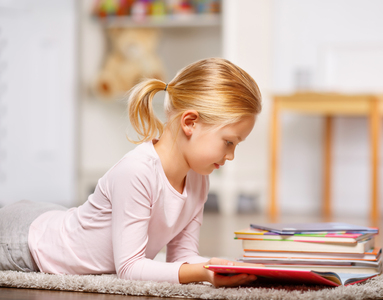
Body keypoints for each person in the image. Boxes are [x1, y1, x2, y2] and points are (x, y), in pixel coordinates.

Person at [0, 58, 262, 287]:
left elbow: (182, 258)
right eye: (228, 142)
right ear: (190, 122)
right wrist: (204, 272)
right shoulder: (138, 171)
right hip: (22, 241)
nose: (231, 156)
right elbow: (129, 268)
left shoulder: (199, 179)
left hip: (52, 216)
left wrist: (224, 268)